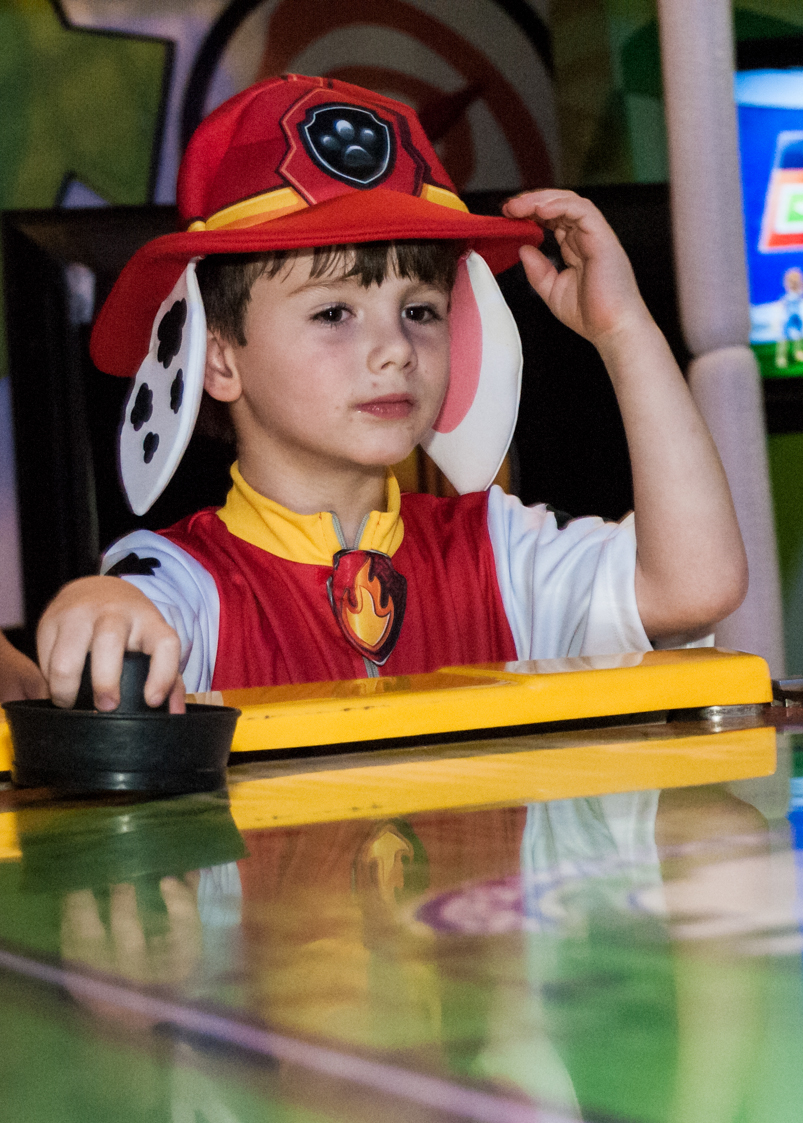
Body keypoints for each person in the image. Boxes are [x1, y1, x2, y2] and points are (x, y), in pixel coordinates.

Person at [37, 75, 747, 713]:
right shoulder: (179, 586)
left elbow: (695, 585)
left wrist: (624, 332)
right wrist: (95, 601)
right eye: (332, 313)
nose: (395, 350)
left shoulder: (499, 553)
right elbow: (124, 615)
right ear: (216, 358)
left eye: (420, 311)